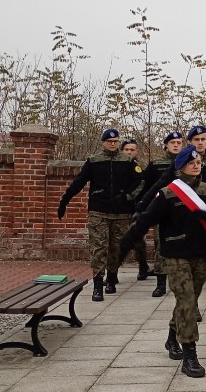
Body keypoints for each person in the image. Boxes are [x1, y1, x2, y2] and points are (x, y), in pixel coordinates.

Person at [119, 146, 206, 377]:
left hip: (200, 254)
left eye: (199, 162)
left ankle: (172, 336)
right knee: (187, 301)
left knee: (188, 301)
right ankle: (190, 355)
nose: (196, 165)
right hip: (175, 254)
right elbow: (144, 222)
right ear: (180, 167)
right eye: (191, 162)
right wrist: (121, 251)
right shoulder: (168, 194)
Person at [58, 128, 143, 301]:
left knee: (117, 248)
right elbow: (79, 182)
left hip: (121, 212)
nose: (113, 144)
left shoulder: (127, 161)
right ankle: (98, 284)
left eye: (116, 142)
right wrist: (65, 200)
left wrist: (128, 196)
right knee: (98, 248)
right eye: (109, 142)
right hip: (99, 210)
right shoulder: (94, 161)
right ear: (103, 142)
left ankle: (112, 277)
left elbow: (140, 182)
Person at [139, 131, 184, 297]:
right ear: (166, 145)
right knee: (160, 246)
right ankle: (160, 283)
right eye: (172, 142)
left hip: (183, 211)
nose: (176, 145)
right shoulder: (156, 164)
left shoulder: (187, 163)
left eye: (179, 142)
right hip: (162, 210)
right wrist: (144, 205)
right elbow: (147, 187)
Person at [120, 138, 151, 280]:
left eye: (132, 149)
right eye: (126, 149)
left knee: (138, 241)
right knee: (116, 241)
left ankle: (143, 266)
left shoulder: (141, 167)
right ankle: (113, 272)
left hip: (136, 208)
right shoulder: (116, 166)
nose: (129, 152)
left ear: (137, 151)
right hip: (119, 209)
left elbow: (142, 186)